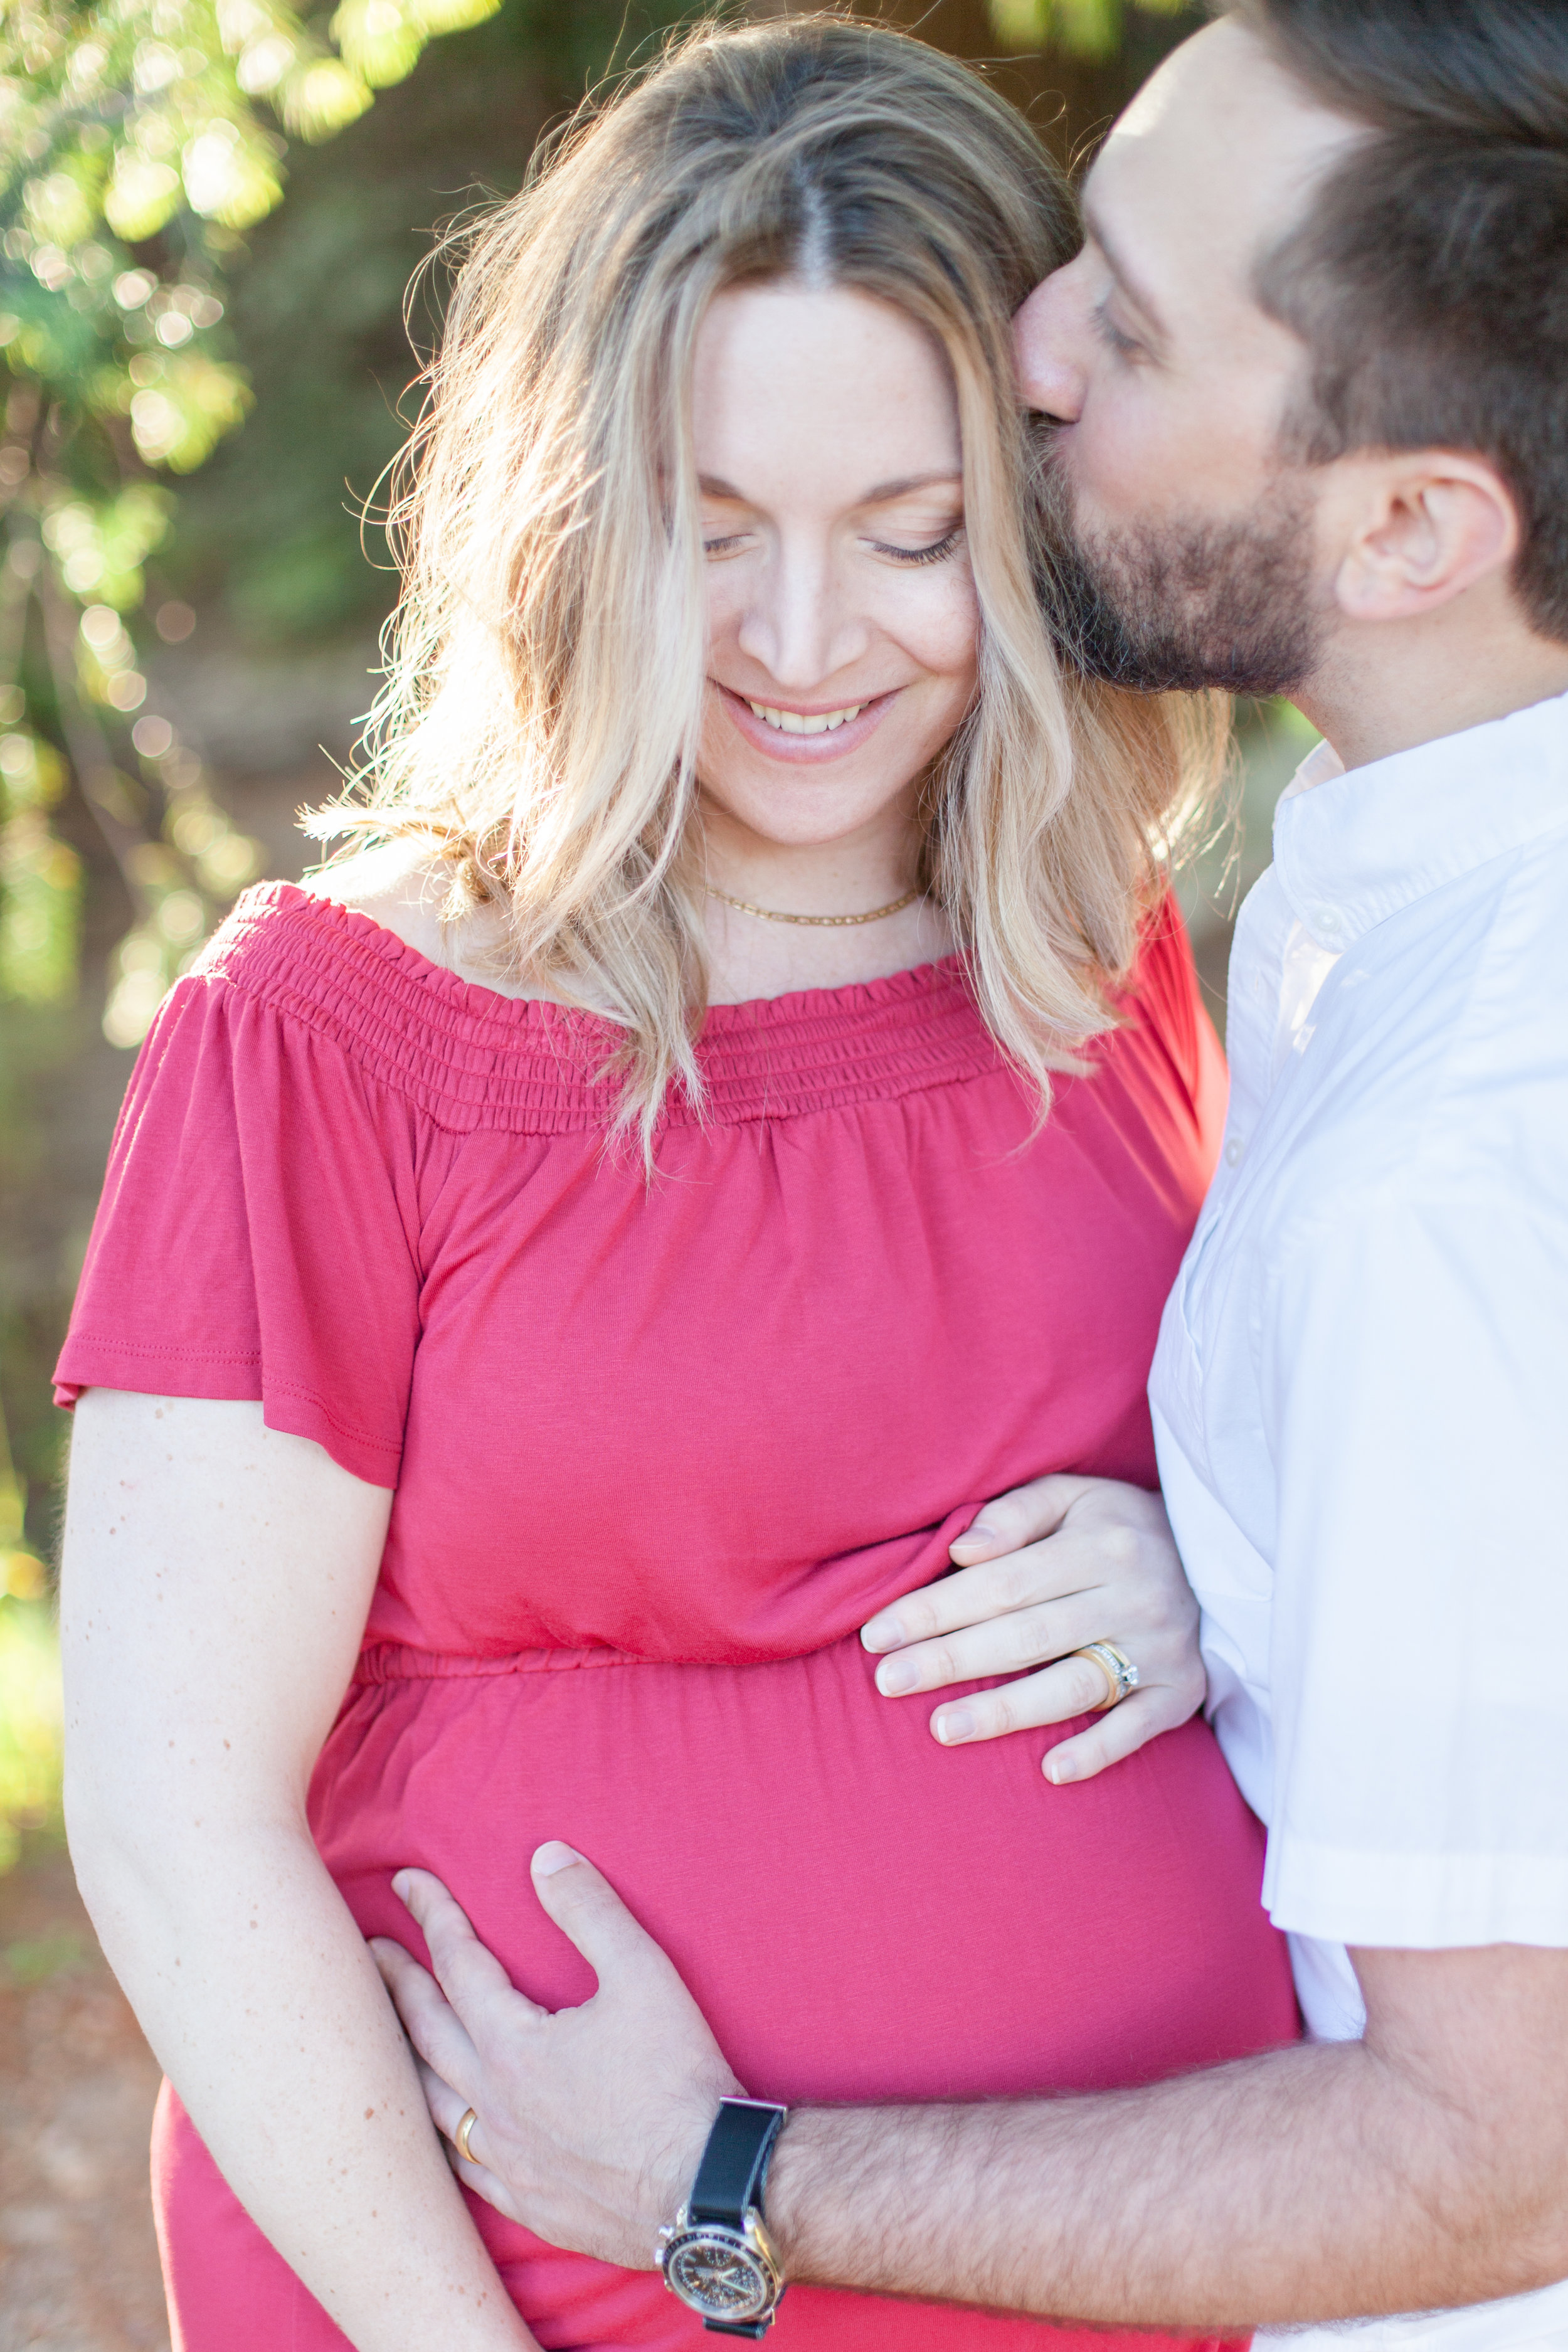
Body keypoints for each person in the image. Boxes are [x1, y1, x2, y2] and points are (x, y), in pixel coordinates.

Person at [54, 18, 1301, 2352]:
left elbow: (1226, 1452)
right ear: (567, 512)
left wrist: (1207, 1568)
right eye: (708, 537)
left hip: (1123, 2258)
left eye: (911, 536)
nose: (807, 649)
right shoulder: (332, 1037)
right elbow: (166, 1812)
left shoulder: (1080, 937)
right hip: (535, 2292)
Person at [373, 3, 1568, 2347]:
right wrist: (1237, 1592)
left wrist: (715, 2174)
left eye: (1123, 320)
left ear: (1413, 526)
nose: (1019, 343)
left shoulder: (1450, 1170)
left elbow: (1499, 2156)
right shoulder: (1389, 900)